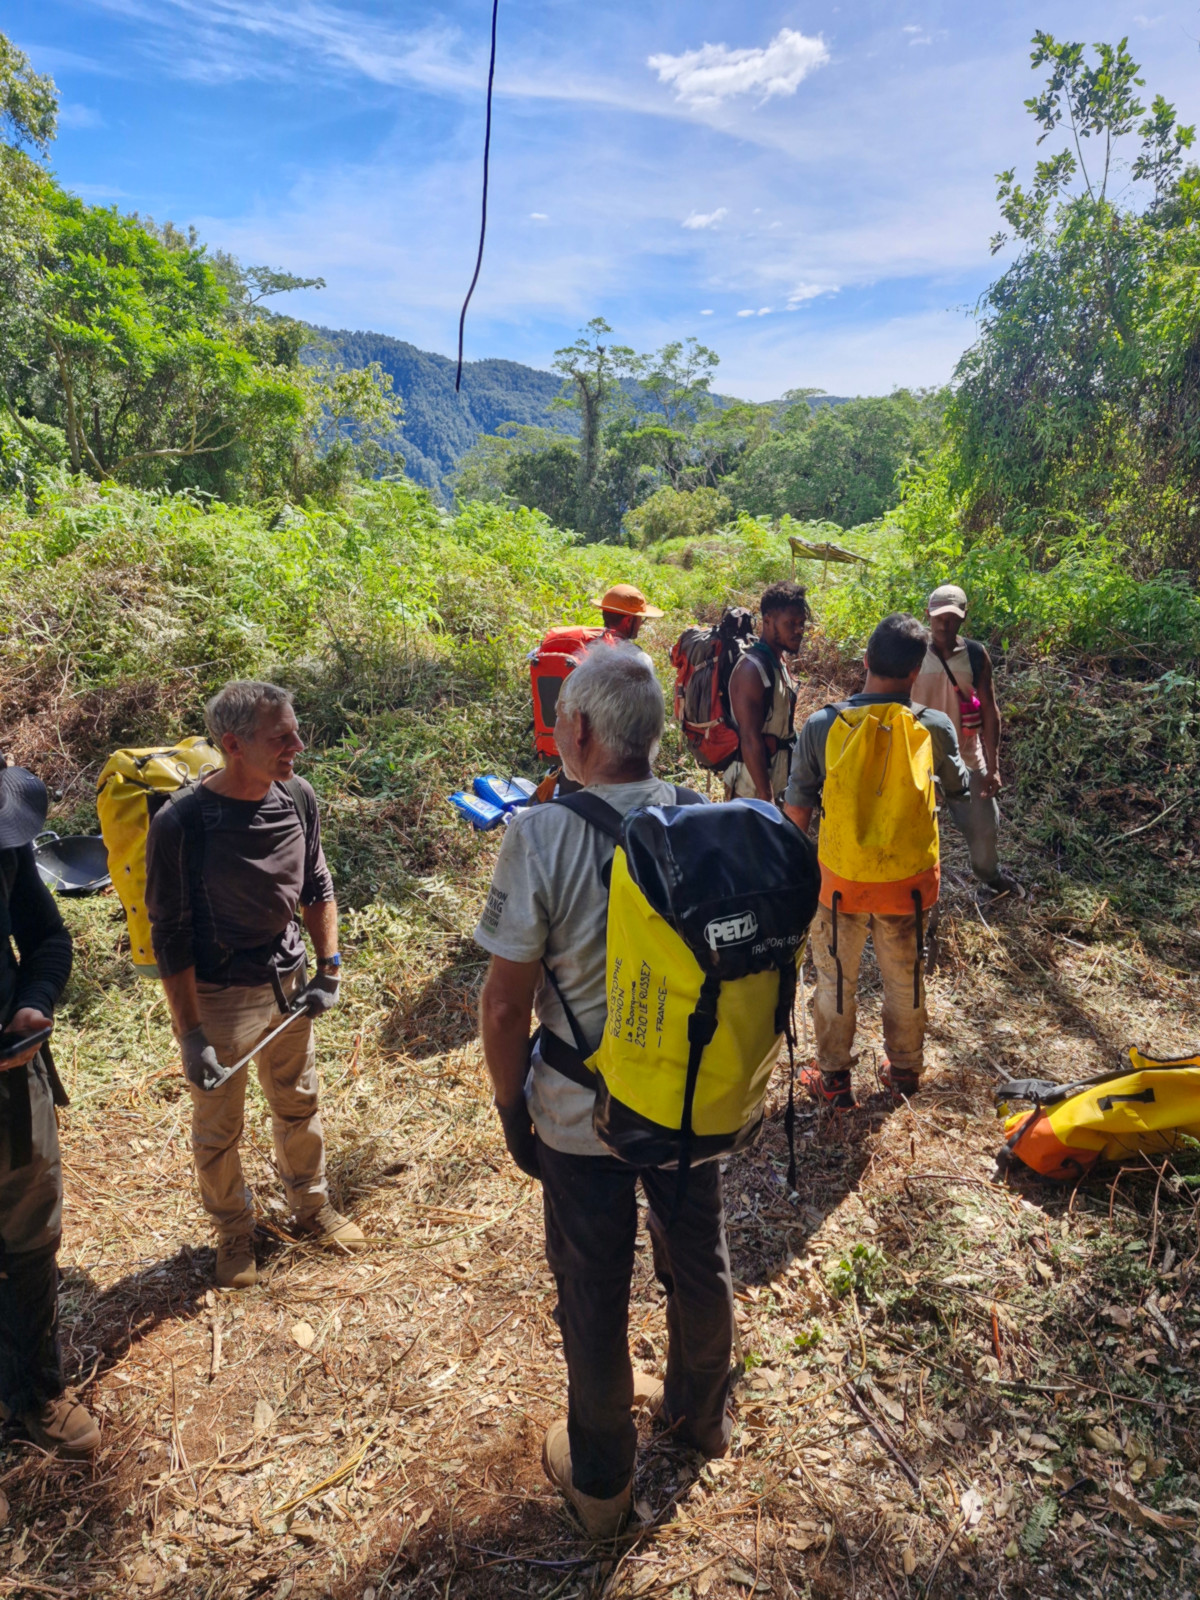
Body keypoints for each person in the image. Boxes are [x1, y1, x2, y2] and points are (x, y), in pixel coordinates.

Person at [475, 647, 734, 1538]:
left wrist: (513, 1110)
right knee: (696, 1256)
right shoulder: (703, 816)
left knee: (593, 1289)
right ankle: (703, 1417)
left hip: (580, 1116)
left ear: (577, 730)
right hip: (689, 1102)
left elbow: (507, 1008)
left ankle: (600, 1485)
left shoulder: (539, 833)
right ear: (657, 734)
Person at [145, 682, 365, 1291]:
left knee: (297, 1097)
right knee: (219, 1125)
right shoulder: (182, 824)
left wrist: (329, 966)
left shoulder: (296, 795)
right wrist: (191, 1035)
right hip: (218, 993)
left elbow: (316, 881)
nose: (297, 745)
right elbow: (171, 934)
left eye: (295, 730)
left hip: (288, 978)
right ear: (233, 745)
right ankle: (234, 1232)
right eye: (281, 737)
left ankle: (312, 1207)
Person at [783, 614, 970, 1108]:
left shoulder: (823, 724)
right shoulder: (933, 726)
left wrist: (789, 872)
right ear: (915, 672)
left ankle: (835, 1079)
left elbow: (797, 808)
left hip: (840, 881)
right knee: (905, 974)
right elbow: (957, 790)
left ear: (864, 662)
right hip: (907, 883)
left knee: (836, 978)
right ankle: (905, 1070)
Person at [0, 765, 98, 1456]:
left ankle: (35, 1392)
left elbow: (48, 940)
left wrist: (35, 1000)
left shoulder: (7, 848)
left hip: (12, 1083)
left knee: (31, 1239)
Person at [912, 584, 1020, 897]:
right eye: (938, 617)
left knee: (985, 833)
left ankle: (990, 876)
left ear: (963, 618)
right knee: (913, 839)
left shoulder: (974, 654)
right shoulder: (912, 651)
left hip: (967, 758)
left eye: (951, 618)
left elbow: (990, 710)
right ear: (928, 615)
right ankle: (916, 895)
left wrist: (994, 766)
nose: (944, 624)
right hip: (918, 762)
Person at [724, 581, 808, 803]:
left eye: (802, 623)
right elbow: (749, 738)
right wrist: (766, 798)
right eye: (791, 623)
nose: (799, 630)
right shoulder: (752, 670)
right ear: (768, 621)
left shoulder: (778, 661)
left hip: (777, 781)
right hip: (751, 791)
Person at [595, 583, 663, 642]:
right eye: (641, 619)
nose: (641, 624)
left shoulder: (589, 642)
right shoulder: (637, 656)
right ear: (629, 620)